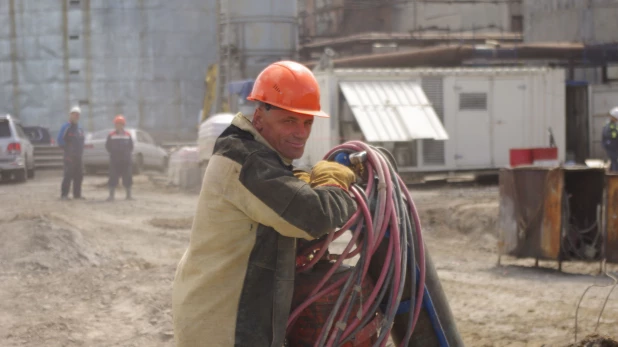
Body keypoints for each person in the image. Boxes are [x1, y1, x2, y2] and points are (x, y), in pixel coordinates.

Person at [172, 61, 358, 347]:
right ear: (259, 118)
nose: (301, 132)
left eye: (307, 122)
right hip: (223, 328)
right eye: (289, 120)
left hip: (216, 315)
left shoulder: (259, 157)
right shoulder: (246, 160)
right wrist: (334, 181)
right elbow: (314, 216)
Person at [57, 106, 85, 200]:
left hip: (78, 156)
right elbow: (60, 140)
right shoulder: (66, 127)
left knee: (79, 175)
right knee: (68, 175)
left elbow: (82, 140)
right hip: (69, 156)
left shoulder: (80, 128)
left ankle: (77, 195)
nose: (76, 116)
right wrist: (68, 151)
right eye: (74, 114)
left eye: (78, 115)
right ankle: (64, 195)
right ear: (71, 115)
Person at [105, 115, 134, 201]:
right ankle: (111, 196)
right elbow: (108, 146)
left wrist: (126, 154)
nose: (118, 125)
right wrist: (114, 153)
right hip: (115, 160)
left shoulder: (128, 135)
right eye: (117, 123)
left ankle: (128, 195)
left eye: (120, 123)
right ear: (115, 125)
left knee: (128, 177)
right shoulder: (111, 135)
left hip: (126, 160)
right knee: (113, 177)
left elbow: (131, 146)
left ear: (123, 124)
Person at [602, 107, 618, 172]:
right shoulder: (609, 125)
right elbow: (608, 135)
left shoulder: (613, 124)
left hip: (613, 145)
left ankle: (612, 171)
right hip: (610, 145)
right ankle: (615, 174)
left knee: (613, 160)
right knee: (614, 159)